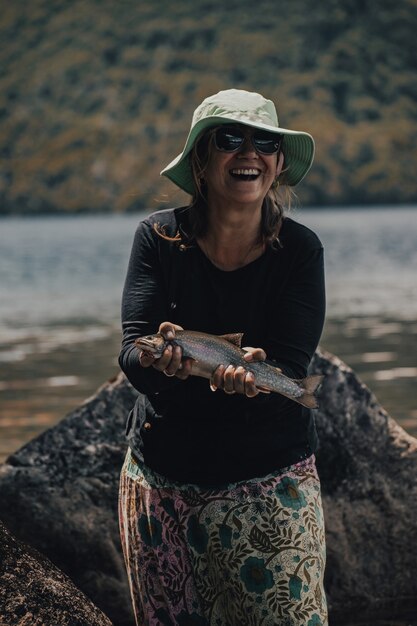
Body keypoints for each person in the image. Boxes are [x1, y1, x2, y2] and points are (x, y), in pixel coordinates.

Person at [118, 88, 327, 626]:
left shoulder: (301, 252)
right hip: (162, 485)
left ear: (279, 165)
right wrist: (159, 367)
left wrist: (255, 376)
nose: (248, 153)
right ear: (202, 162)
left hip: (269, 481)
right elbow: (132, 352)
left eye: (264, 143)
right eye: (230, 140)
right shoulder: (157, 238)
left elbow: (290, 363)